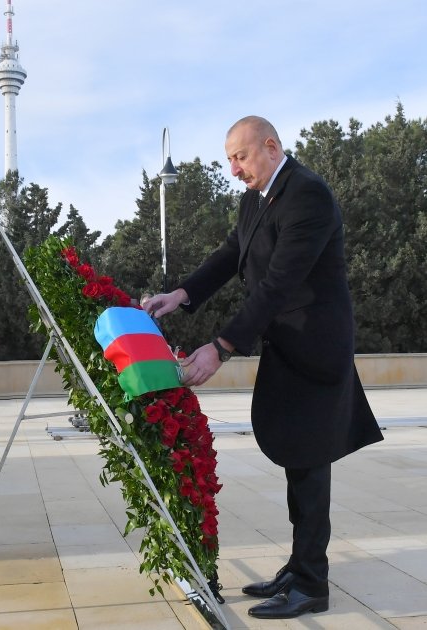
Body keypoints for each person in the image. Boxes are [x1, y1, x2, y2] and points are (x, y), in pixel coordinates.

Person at [142, 116, 384, 620]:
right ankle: (298, 567)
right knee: (298, 457)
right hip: (284, 345)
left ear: (271, 147)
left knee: (311, 462)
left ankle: (312, 582)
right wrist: (182, 294)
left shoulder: (308, 195)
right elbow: (233, 254)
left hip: (316, 350)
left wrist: (220, 347)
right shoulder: (255, 198)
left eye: (241, 156)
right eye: (229, 159)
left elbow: (277, 284)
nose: (234, 169)